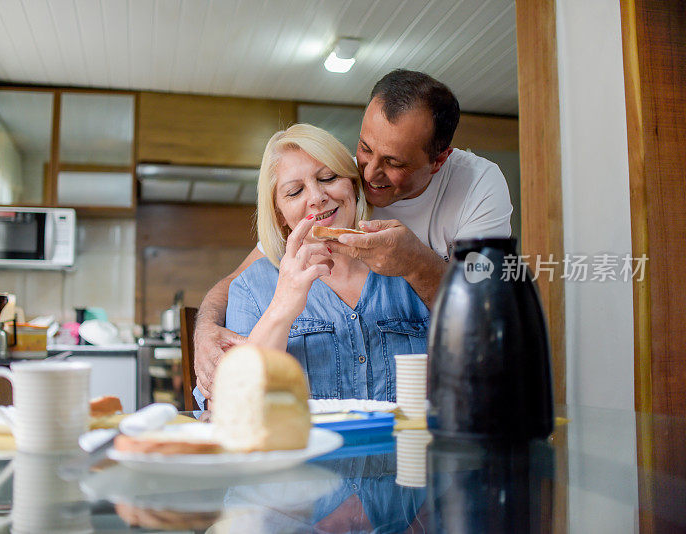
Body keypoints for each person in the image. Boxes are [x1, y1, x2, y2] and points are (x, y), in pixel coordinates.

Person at [194, 69, 513, 403]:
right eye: (364, 149)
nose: (371, 174)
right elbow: (242, 282)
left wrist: (416, 263)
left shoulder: (476, 188)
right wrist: (206, 329)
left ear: (437, 162)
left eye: (393, 162)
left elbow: (484, 325)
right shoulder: (261, 281)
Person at [194, 124, 430, 408]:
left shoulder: (408, 265)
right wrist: (283, 306)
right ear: (279, 213)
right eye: (294, 192)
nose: (316, 197)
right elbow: (230, 407)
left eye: (329, 177)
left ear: (353, 186)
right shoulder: (251, 287)